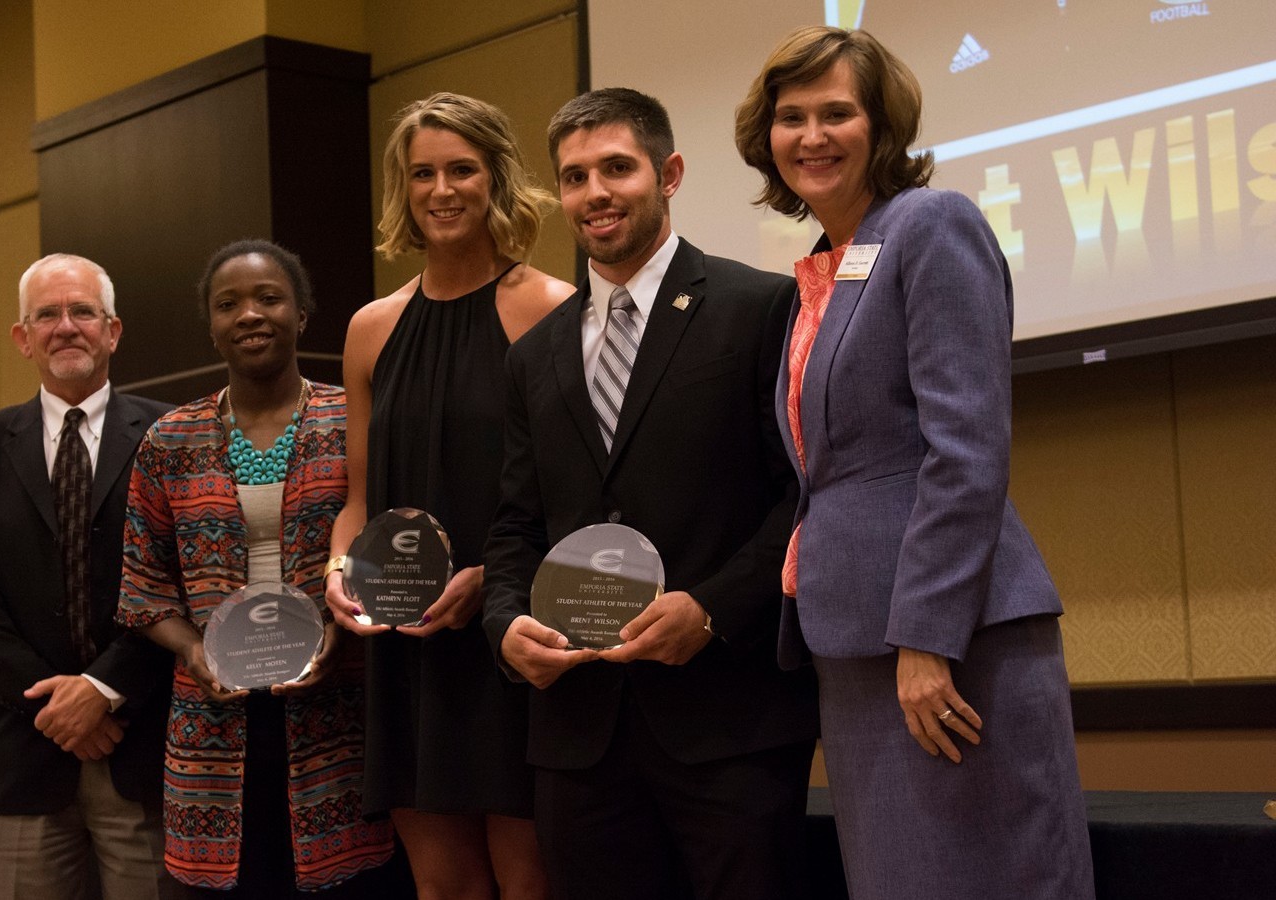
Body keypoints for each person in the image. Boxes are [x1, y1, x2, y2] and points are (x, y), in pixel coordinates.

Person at [733, 26, 1095, 900]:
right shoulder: (830, 267)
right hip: (859, 648)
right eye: (791, 117)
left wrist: (927, 639)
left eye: (836, 113)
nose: (811, 135)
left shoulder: (930, 224)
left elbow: (967, 449)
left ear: (882, 126)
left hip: (947, 640)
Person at [481, 87, 820, 900]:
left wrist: (710, 609)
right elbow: (516, 527)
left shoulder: (760, 306)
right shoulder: (535, 355)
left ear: (667, 174)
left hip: (727, 724)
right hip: (578, 733)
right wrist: (502, 628)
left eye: (617, 168)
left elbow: (804, 497)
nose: (594, 193)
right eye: (574, 176)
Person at [322, 92, 575, 900]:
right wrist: (337, 568)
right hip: (410, 652)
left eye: (462, 169)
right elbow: (359, 499)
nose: (442, 189)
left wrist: (494, 588)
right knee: (443, 886)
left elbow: (577, 503)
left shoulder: (553, 309)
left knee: (530, 882)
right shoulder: (371, 328)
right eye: (422, 172)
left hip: (513, 641)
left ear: (498, 177)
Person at [116, 240, 405, 898]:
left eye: (269, 298)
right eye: (229, 304)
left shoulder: (353, 419)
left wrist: (345, 627)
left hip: (341, 718)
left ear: (301, 315)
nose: (250, 314)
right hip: (212, 730)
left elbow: (387, 549)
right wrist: (195, 652)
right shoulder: (170, 442)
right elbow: (142, 589)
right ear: (212, 325)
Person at [0, 253, 175, 899]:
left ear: (113, 331)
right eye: (47, 314)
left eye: (82, 312)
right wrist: (58, 707)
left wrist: (104, 688)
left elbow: (188, 583)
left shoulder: (173, 434)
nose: (65, 326)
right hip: (23, 752)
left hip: (145, 746)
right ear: (23, 337)